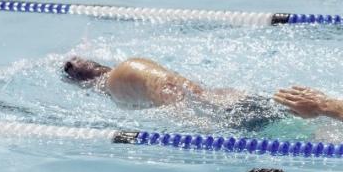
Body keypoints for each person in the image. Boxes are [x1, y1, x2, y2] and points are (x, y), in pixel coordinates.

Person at [63, 56, 287, 131]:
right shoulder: (127, 68)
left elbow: (168, 91)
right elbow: (179, 86)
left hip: (226, 113)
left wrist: (201, 126)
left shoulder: (115, 85)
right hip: (229, 100)